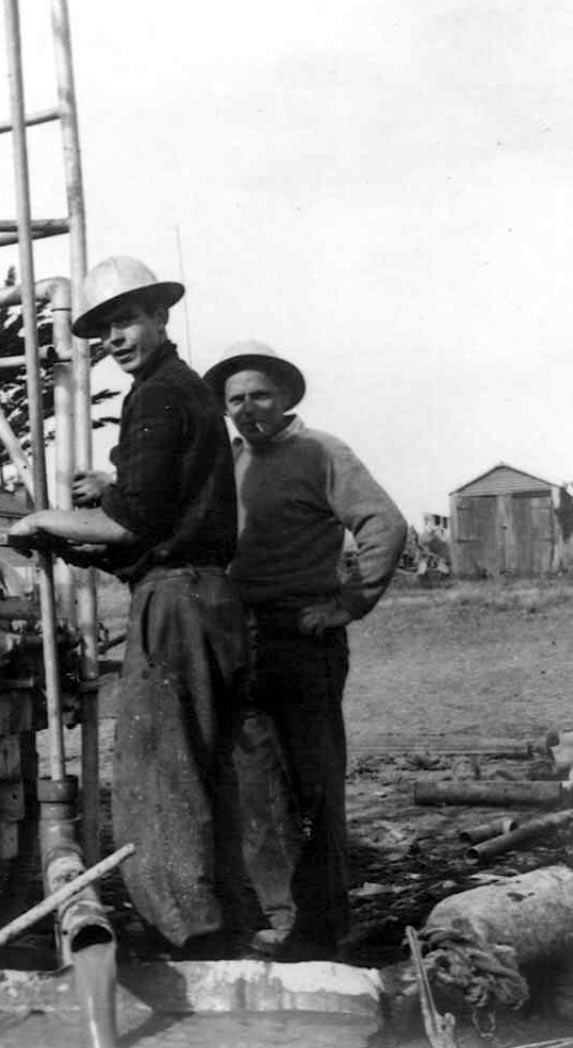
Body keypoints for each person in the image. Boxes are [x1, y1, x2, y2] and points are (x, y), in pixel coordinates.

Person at [10, 257, 246, 954]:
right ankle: (220, 919)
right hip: (203, 596)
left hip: (175, 600)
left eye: (125, 320)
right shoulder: (185, 390)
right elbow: (151, 516)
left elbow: (133, 527)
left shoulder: (155, 394)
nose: (115, 338)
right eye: (104, 328)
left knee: (157, 764)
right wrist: (104, 504)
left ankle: (184, 934)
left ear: (159, 316)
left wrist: (42, 523)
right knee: (203, 764)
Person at [203, 340, 407, 960]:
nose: (247, 408)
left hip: (303, 636)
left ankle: (322, 927)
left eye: (260, 394)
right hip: (240, 637)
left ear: (285, 397)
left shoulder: (320, 451)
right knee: (254, 781)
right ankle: (281, 917)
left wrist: (350, 602)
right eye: (235, 399)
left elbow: (384, 524)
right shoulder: (229, 461)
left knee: (314, 785)